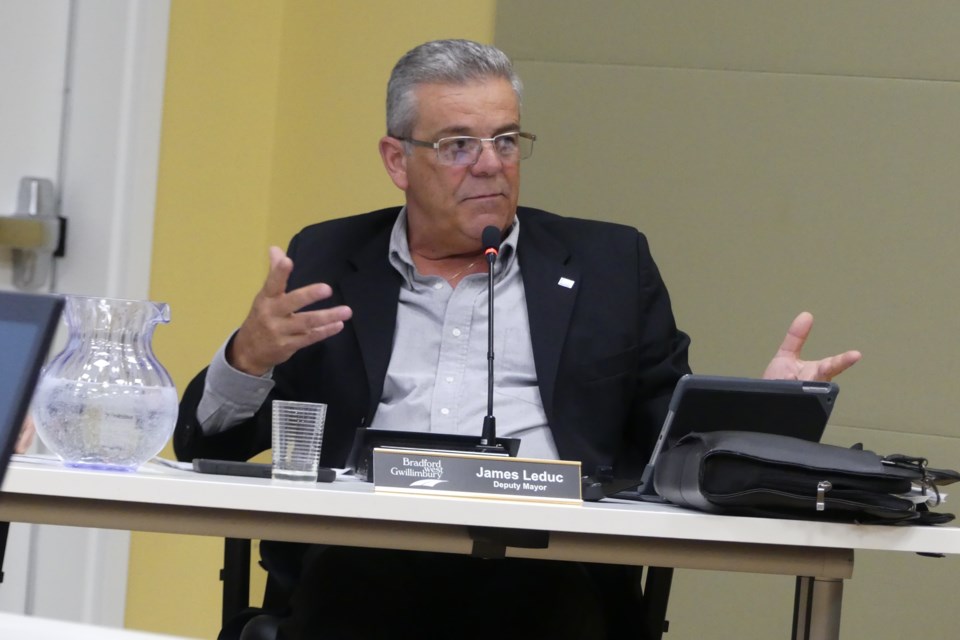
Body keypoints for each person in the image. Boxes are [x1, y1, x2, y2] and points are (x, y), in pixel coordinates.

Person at [174, 39, 860, 639]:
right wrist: (248, 358)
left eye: (506, 141)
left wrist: (758, 417)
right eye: (458, 145)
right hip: (360, 565)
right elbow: (208, 443)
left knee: (537, 598)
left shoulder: (609, 266)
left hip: (550, 567)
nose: (491, 165)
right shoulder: (327, 257)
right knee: (359, 583)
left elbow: (668, 441)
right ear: (396, 160)